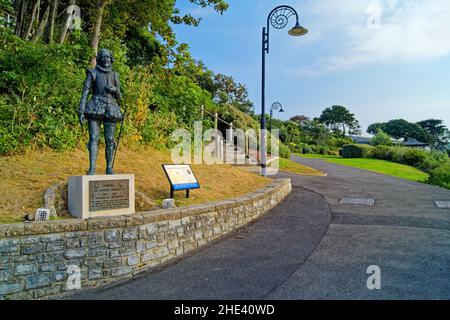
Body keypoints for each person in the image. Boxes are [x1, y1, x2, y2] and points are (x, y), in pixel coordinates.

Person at [78, 49, 123, 175]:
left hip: (110, 107)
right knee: (93, 138)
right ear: (100, 58)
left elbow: (120, 97)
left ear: (111, 59)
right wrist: (81, 110)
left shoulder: (115, 75)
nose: (106, 60)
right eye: (104, 57)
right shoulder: (93, 73)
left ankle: (109, 168)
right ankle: (92, 168)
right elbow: (85, 92)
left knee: (110, 139)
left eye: (108, 57)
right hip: (95, 105)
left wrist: (115, 90)